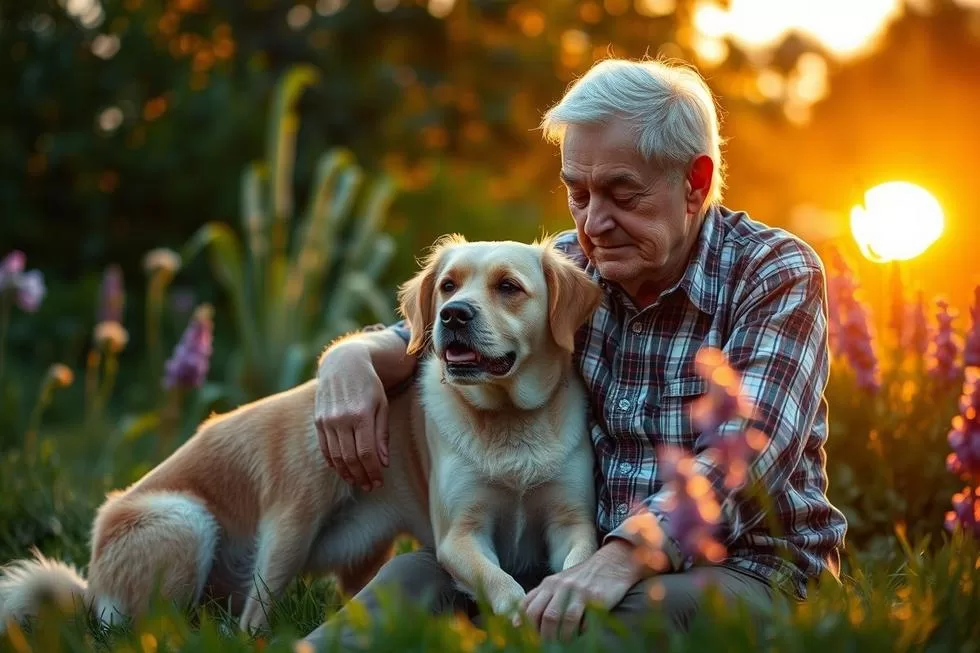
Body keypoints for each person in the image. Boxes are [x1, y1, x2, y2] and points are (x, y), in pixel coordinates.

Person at [302, 57, 847, 648]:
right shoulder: (568, 266)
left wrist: (621, 559)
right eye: (577, 193)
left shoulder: (773, 272)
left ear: (695, 181)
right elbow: (443, 330)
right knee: (411, 580)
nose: (594, 223)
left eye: (622, 194)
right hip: (565, 566)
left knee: (616, 627)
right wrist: (350, 358)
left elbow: (748, 452)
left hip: (743, 569)